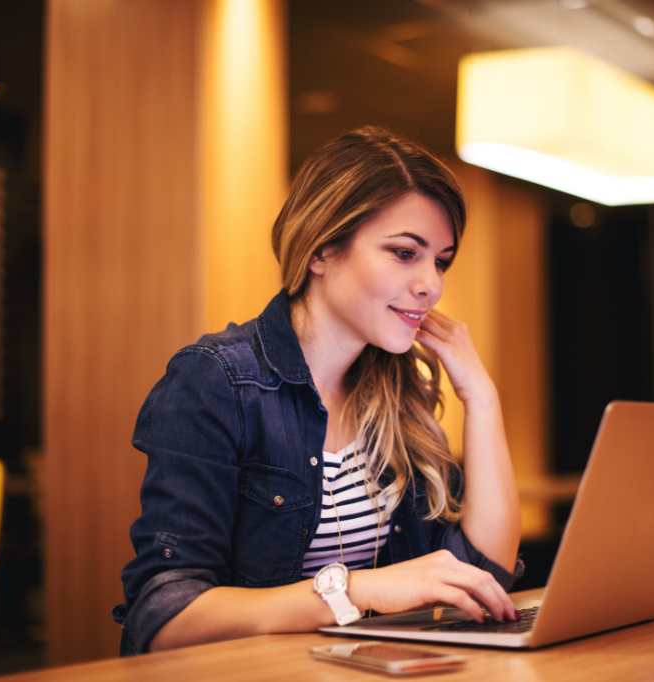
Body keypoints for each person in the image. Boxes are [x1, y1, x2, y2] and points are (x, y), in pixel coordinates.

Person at [114, 126, 523, 656]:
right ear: (321, 250)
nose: (432, 284)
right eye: (405, 253)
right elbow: (164, 615)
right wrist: (356, 589)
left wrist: (482, 397)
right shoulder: (215, 380)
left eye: (441, 260)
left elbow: (482, 574)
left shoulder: (398, 387)